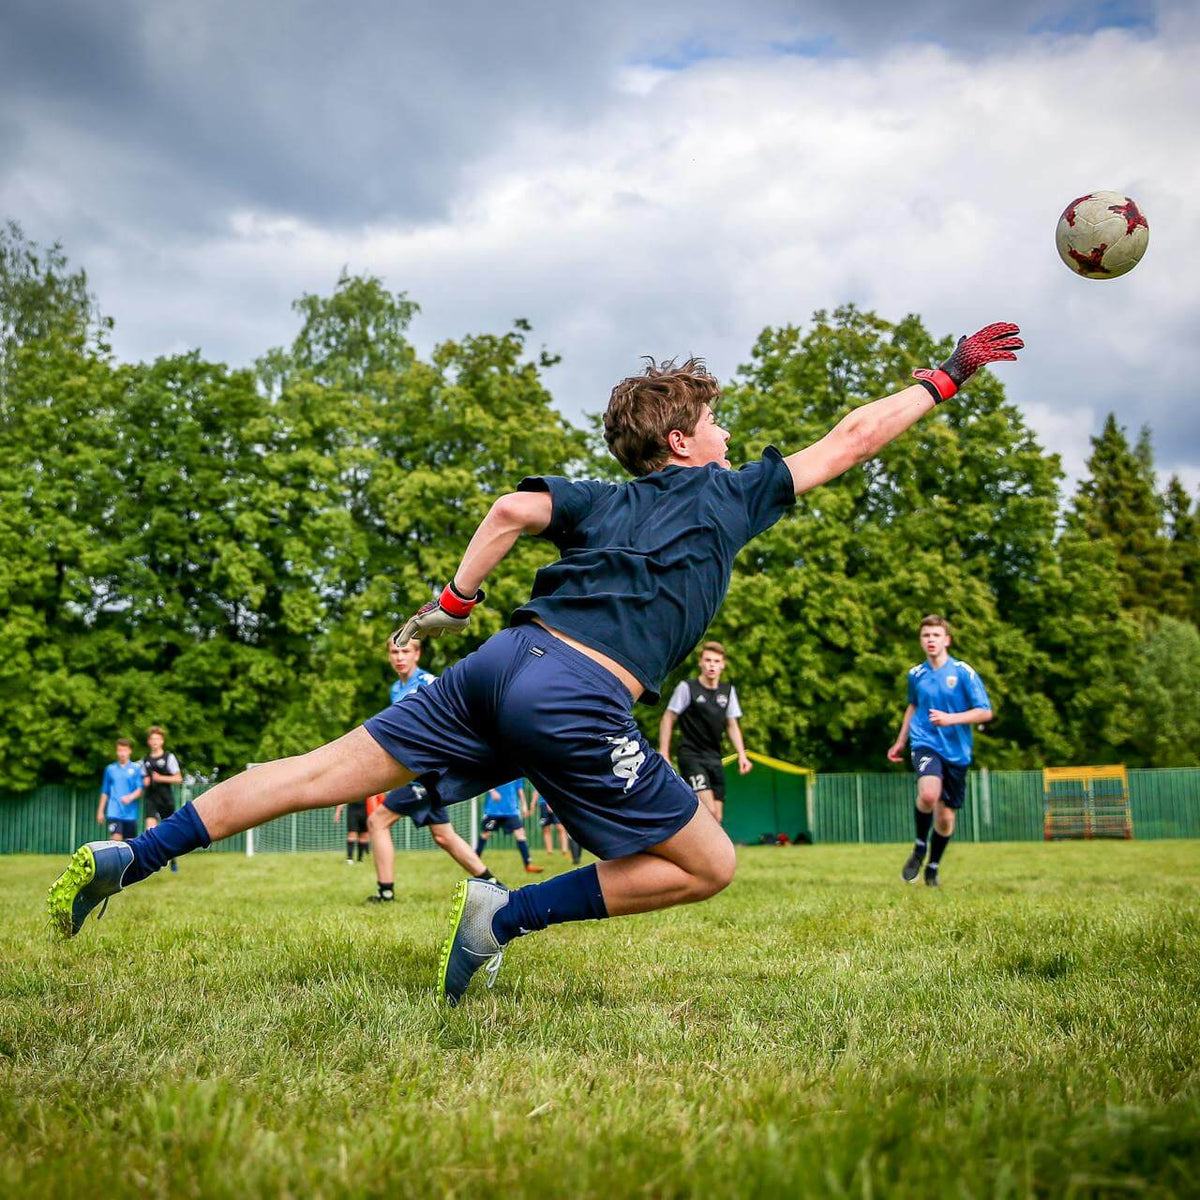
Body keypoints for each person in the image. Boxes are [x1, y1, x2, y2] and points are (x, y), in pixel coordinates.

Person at [49, 322, 1023, 1004]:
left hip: (496, 662)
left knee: (309, 775)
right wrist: (949, 374)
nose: (732, 436)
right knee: (711, 863)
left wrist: (456, 602)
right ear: (685, 443)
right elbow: (850, 441)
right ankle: (504, 916)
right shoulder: (731, 495)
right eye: (719, 423)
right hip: (581, 693)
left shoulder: (604, 499)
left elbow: (514, 510)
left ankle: (130, 857)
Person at [366, 638, 501, 902]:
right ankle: (494, 885)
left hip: (430, 772)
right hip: (417, 772)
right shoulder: (397, 688)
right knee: (444, 836)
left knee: (376, 821)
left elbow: (457, 715)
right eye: (394, 651)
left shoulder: (428, 682)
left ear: (417, 654)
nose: (399, 657)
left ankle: (386, 892)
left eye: (405, 651)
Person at [887, 615, 994, 886]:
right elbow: (913, 706)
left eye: (935, 635)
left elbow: (985, 712)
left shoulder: (963, 672)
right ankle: (919, 846)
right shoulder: (916, 674)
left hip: (957, 751)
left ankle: (932, 867)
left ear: (946, 640)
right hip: (925, 742)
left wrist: (951, 719)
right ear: (921, 641)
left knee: (945, 818)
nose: (930, 640)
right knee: (929, 794)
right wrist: (901, 741)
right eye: (926, 636)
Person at [658, 641, 751, 825]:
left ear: (723, 665)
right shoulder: (687, 688)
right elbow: (668, 717)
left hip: (715, 758)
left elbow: (732, 724)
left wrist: (742, 755)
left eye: (716, 661)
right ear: (700, 662)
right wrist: (664, 751)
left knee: (717, 818)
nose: (712, 665)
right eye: (708, 660)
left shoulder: (728, 692)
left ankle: (698, 851)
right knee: (709, 813)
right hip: (691, 756)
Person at [475, 779, 543, 874]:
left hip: (511, 810)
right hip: (494, 810)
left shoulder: (518, 769)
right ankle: (474, 861)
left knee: (520, 834)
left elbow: (519, 788)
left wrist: (523, 804)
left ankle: (528, 865)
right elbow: (485, 780)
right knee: (485, 834)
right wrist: (492, 791)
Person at [141, 727, 183, 872]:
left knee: (169, 832)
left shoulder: (168, 757)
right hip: (151, 798)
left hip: (166, 799)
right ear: (148, 741)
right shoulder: (145, 760)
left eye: (157, 739)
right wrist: (145, 781)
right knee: (150, 830)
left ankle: (173, 860)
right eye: (152, 739)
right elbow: (144, 778)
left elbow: (178, 778)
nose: (155, 742)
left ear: (162, 741)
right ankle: (154, 861)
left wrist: (160, 778)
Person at [96, 739, 144, 842]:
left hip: (130, 813)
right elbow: (105, 791)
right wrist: (100, 811)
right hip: (114, 811)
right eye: (120, 750)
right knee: (115, 840)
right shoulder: (110, 769)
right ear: (116, 751)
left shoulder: (135, 769)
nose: (122, 753)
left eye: (125, 750)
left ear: (130, 751)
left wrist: (130, 797)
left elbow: (140, 790)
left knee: (130, 844)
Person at [534, 787, 572, 857]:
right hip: (543, 804)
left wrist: (550, 802)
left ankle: (564, 851)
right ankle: (549, 852)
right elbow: (536, 790)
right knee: (546, 828)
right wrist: (532, 804)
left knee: (560, 827)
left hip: (555, 802)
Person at [332, 799, 370, 864]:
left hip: (366, 812)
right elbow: (343, 798)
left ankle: (360, 860)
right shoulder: (351, 789)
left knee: (363, 837)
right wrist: (337, 812)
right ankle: (349, 859)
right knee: (352, 835)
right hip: (353, 812)